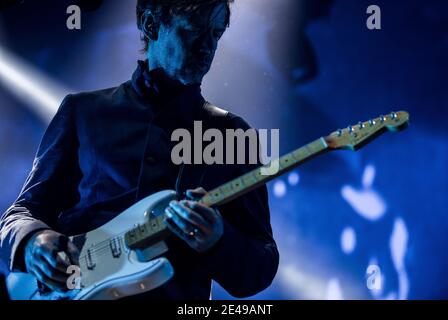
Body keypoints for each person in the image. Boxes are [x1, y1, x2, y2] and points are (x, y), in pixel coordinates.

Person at [0, 0, 279, 299]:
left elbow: (260, 266)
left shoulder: (233, 135)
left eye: (216, 33)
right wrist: (31, 242)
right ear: (150, 25)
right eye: (194, 30)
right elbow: (23, 211)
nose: (206, 47)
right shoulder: (83, 111)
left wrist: (220, 240)